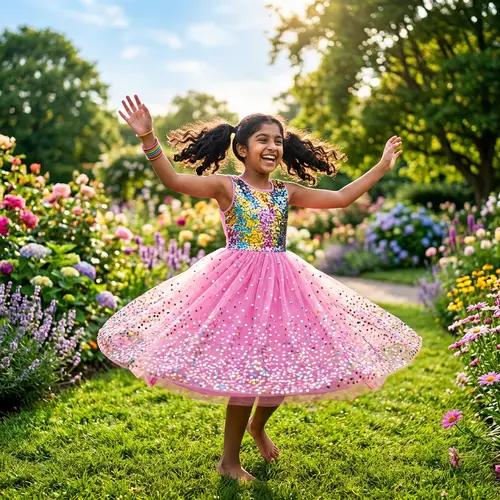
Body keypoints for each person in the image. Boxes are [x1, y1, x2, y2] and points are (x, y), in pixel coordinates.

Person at [97, 94, 422, 482]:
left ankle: (258, 426)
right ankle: (229, 461)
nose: (272, 147)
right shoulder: (226, 187)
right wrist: (148, 137)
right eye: (263, 140)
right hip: (237, 289)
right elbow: (174, 180)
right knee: (246, 375)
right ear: (241, 148)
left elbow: (340, 198)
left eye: (278, 141)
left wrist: (382, 167)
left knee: (281, 368)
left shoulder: (286, 192)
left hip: (285, 287)